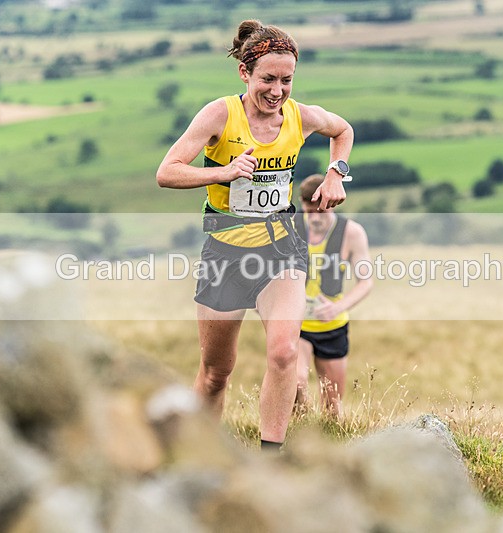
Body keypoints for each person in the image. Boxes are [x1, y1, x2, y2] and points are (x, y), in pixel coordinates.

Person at [156, 19, 354, 450]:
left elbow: (343, 131)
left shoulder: (299, 117)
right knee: (215, 373)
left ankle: (270, 460)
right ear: (245, 73)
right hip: (224, 252)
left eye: (287, 80)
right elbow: (166, 172)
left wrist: (336, 173)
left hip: (281, 247)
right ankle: (199, 455)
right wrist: (223, 172)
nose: (277, 90)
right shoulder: (219, 115)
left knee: (284, 352)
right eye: (268, 79)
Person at [294, 174, 372, 418]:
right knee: (295, 385)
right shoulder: (290, 226)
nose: (315, 218)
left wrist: (337, 308)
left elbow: (366, 282)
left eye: (321, 211)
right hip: (297, 324)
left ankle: (328, 446)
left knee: (332, 407)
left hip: (333, 324)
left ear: (332, 204)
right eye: (309, 212)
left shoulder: (352, 233)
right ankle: (299, 435)